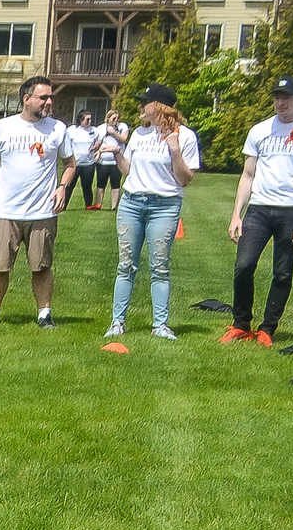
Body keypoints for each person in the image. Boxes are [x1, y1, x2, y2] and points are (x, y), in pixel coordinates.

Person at [223, 77, 293, 348]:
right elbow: (248, 174)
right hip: (259, 210)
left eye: (287, 97)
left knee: (283, 273)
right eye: (277, 97)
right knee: (244, 266)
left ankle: (267, 328)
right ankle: (241, 324)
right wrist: (236, 214)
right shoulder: (259, 130)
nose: (281, 102)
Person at [0, 76, 75, 328]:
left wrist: (62, 187)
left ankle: (44, 315)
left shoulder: (58, 129)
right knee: (0, 265)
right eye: (43, 97)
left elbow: (70, 164)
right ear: (26, 99)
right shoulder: (3, 127)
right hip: (6, 210)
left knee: (41, 266)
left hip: (42, 211)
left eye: (50, 97)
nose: (49, 102)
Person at [106, 84, 199, 340]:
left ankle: (160, 325)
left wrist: (175, 149)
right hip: (132, 203)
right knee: (126, 264)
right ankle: (117, 322)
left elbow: (185, 179)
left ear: (159, 106)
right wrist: (116, 153)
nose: (140, 107)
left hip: (164, 206)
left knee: (160, 267)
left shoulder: (185, 136)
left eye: (144, 102)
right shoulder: (138, 134)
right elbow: (129, 171)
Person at [93, 112, 129, 212]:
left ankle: (114, 206)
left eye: (117, 118)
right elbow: (98, 142)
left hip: (117, 162)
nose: (116, 120)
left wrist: (114, 132)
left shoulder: (122, 126)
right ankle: (98, 204)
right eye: (113, 118)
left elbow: (123, 139)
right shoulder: (100, 128)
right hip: (103, 161)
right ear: (107, 118)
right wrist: (97, 150)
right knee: (100, 184)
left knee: (115, 185)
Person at [65, 111, 101, 211]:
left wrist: (97, 146)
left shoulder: (94, 130)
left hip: (89, 163)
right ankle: (63, 206)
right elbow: (66, 144)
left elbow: (99, 142)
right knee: (69, 186)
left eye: (90, 119)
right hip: (75, 164)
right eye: (87, 119)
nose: (89, 121)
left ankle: (88, 206)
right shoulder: (72, 130)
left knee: (87, 186)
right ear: (80, 119)